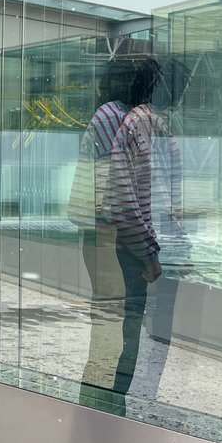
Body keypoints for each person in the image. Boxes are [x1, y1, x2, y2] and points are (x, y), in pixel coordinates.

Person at [102, 56, 192, 410]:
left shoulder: (150, 125)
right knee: (143, 328)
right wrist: (151, 254)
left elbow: (149, 198)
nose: (182, 94)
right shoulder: (142, 126)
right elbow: (130, 201)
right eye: (180, 86)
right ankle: (129, 403)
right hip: (146, 251)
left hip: (151, 248)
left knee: (141, 328)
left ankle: (133, 402)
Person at [68, 59, 135, 415]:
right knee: (110, 323)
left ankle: (101, 406)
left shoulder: (109, 114)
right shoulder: (113, 116)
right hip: (104, 229)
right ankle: (100, 409)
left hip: (100, 227)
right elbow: (113, 183)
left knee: (109, 321)